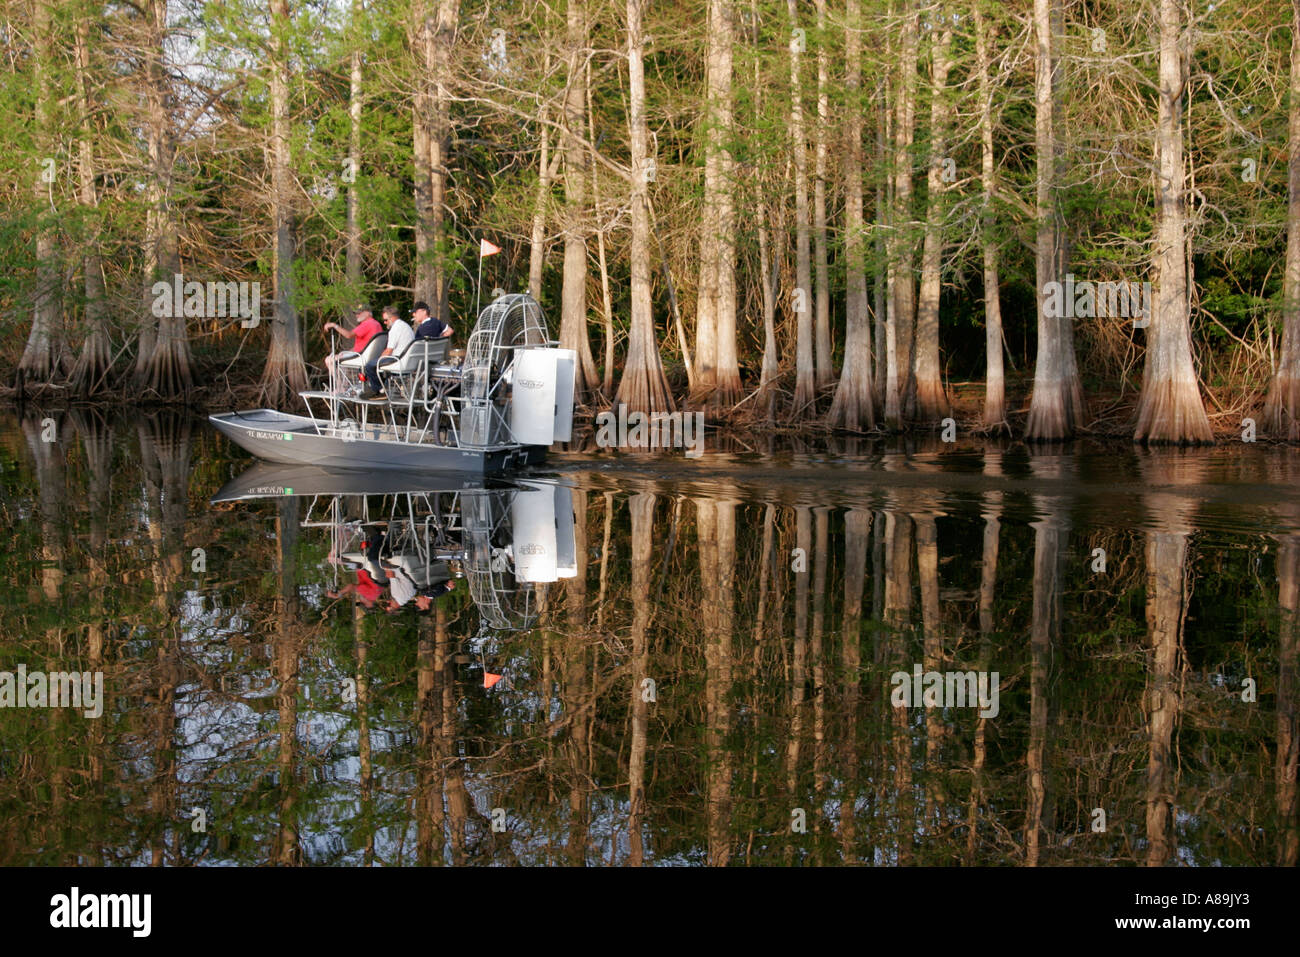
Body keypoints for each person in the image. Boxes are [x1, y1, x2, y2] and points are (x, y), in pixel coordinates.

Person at [323, 305, 385, 393]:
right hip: (368, 356)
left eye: (359, 313)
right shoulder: (377, 324)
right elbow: (363, 346)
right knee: (341, 356)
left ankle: (341, 387)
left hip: (362, 357)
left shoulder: (368, 323)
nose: (357, 315)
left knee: (329, 360)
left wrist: (335, 326)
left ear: (367, 313)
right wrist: (346, 353)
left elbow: (348, 335)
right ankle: (346, 385)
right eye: (356, 313)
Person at [361, 305, 415, 400]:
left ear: (392, 318)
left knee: (369, 365)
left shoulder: (395, 328)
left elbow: (389, 350)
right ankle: (382, 389)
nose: (385, 323)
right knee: (376, 364)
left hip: (398, 360)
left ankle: (379, 391)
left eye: (386, 320)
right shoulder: (406, 326)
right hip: (408, 361)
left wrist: (378, 359)